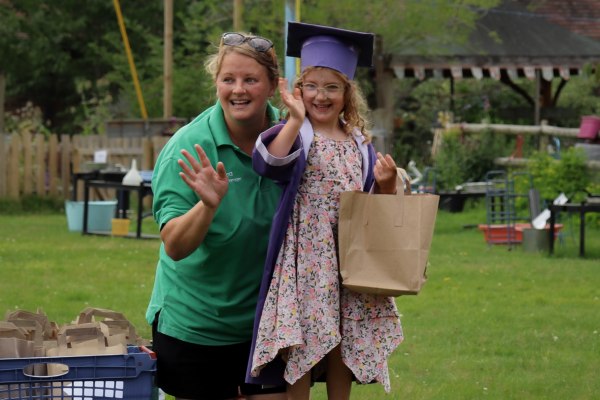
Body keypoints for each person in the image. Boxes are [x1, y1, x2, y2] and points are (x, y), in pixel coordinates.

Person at [247, 22, 403, 399]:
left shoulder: (358, 142)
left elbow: (370, 203)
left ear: (347, 92)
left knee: (342, 343)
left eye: (332, 87)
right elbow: (268, 163)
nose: (321, 96)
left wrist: (385, 184)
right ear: (300, 90)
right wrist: (296, 119)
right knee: (303, 342)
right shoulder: (297, 133)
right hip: (306, 255)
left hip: (348, 255)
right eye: (313, 86)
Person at [146, 31, 287, 400]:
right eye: (229, 79)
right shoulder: (189, 146)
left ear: (272, 85)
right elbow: (175, 245)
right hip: (196, 330)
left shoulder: (291, 140)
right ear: (217, 83)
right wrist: (207, 206)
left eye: (251, 79)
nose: (238, 90)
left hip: (266, 327)